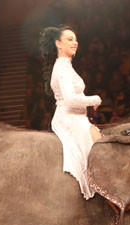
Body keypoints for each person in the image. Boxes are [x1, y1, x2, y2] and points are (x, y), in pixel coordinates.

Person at [40, 25, 101, 199]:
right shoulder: (62, 68)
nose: (75, 42)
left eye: (75, 39)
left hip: (77, 117)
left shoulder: (66, 66)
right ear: (58, 43)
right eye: (69, 39)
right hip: (69, 118)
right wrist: (94, 99)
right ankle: (103, 192)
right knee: (98, 147)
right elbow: (70, 99)